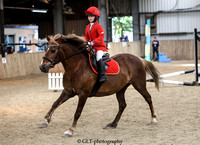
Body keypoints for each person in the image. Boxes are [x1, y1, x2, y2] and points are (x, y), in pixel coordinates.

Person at [84, 6, 108, 83]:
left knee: (98, 57)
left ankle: (103, 75)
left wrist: (93, 42)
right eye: (88, 16)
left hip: (99, 47)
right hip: (91, 47)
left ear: (96, 17)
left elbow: (101, 36)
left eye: (91, 16)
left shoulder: (98, 26)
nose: (89, 18)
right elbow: (86, 37)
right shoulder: (87, 27)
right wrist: (85, 42)